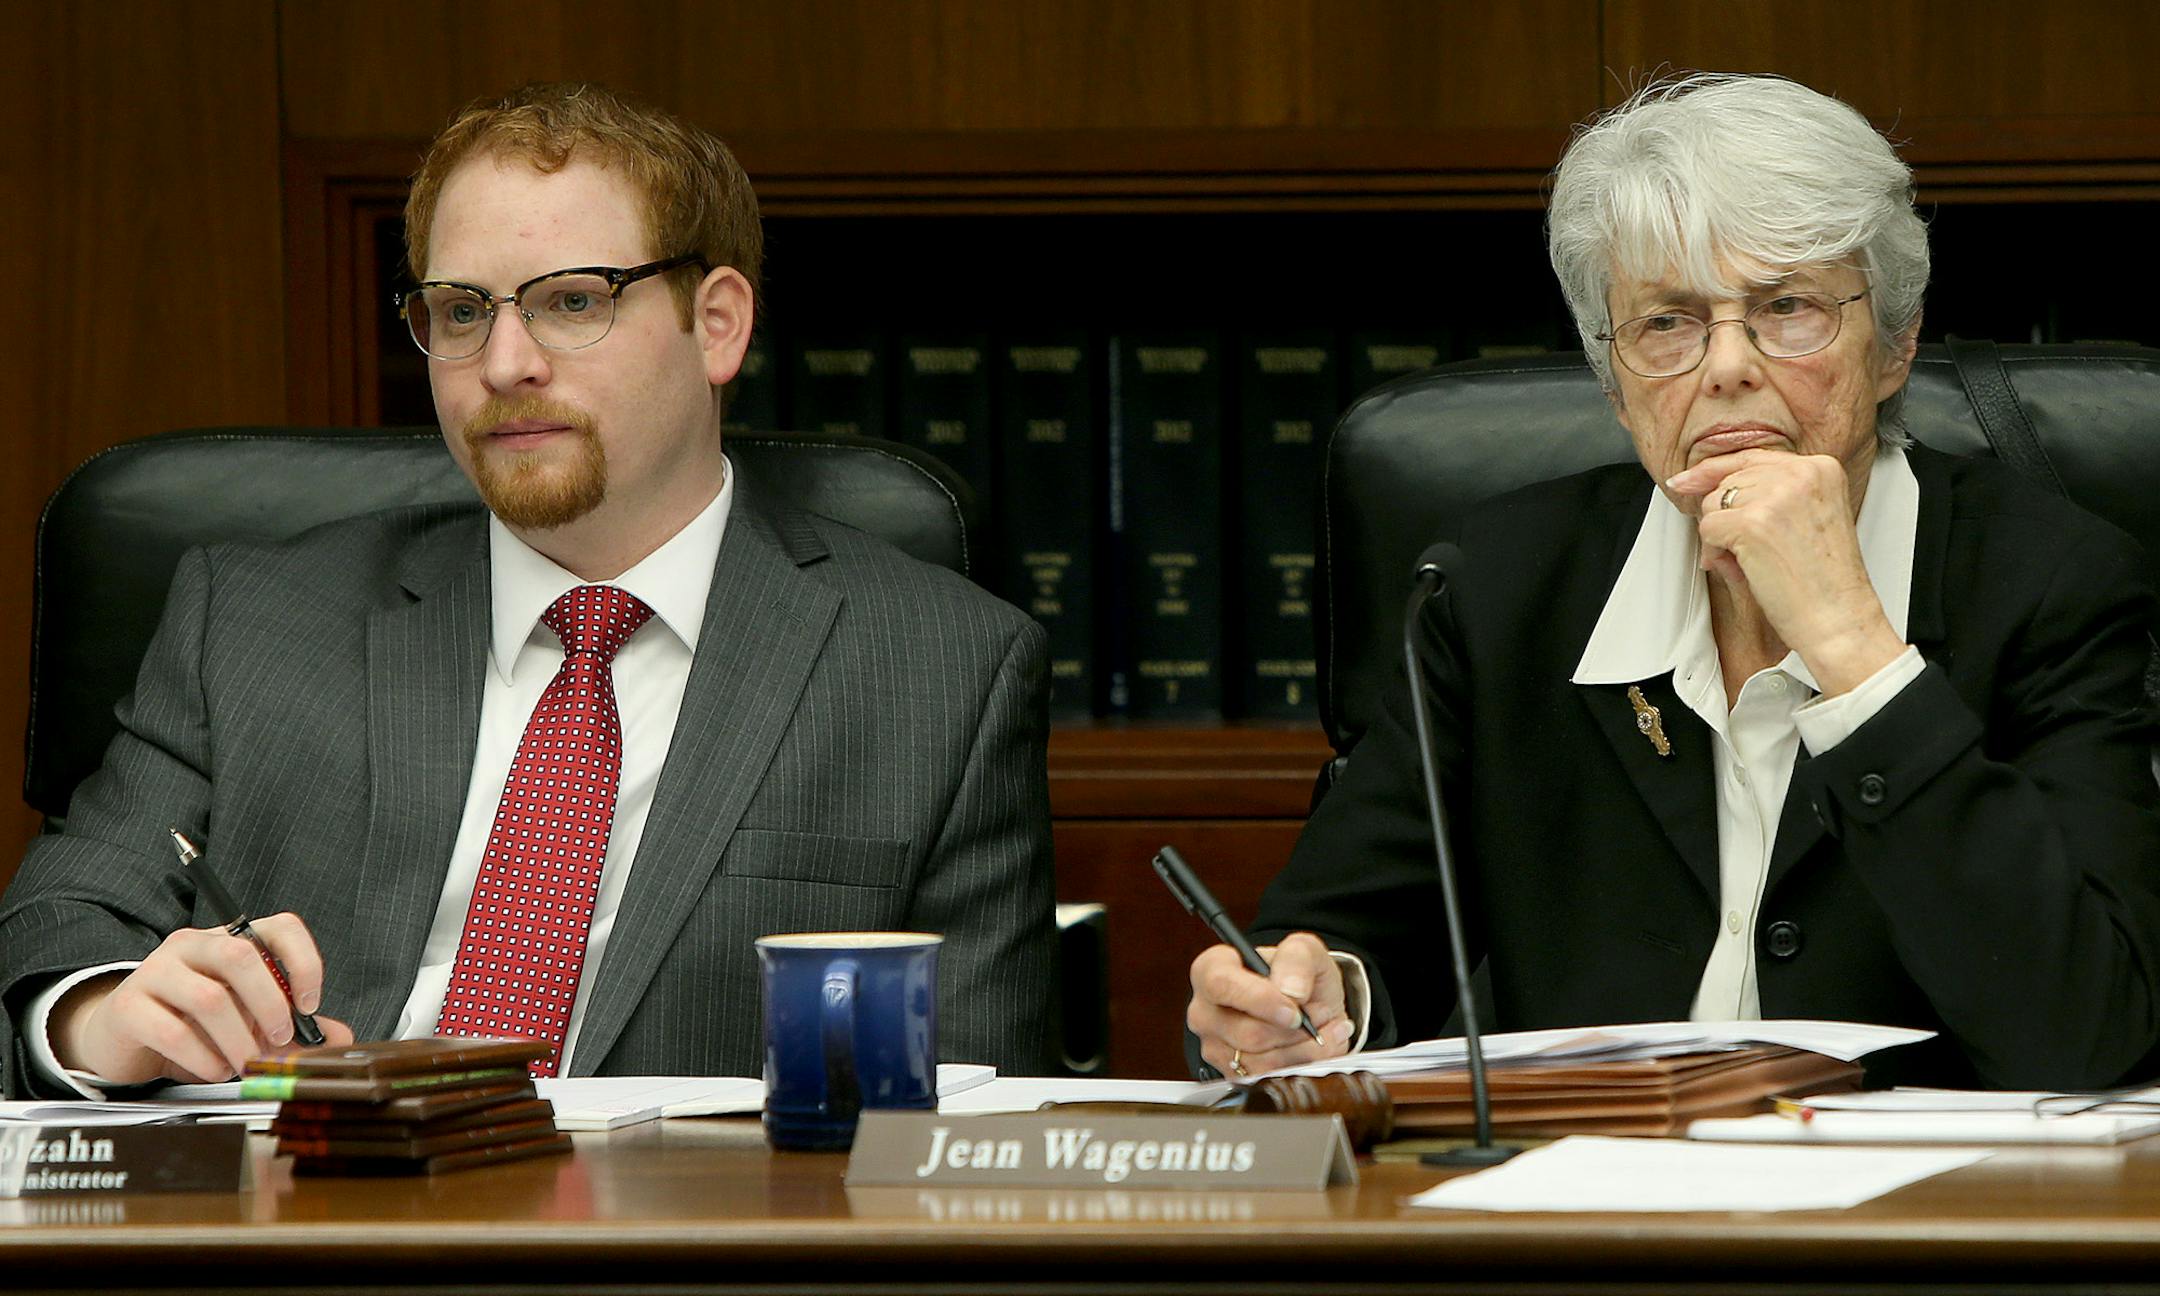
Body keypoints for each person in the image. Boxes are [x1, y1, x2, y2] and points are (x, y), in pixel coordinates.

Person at [0, 82, 1057, 1096]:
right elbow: (61, 926)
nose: (504, 362)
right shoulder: (252, 620)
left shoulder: (941, 670)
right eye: (460, 312)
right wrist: (104, 1015)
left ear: (720, 322)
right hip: (300, 1235)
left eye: (572, 302)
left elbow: (971, 1107)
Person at [1188, 73, 2160, 1091]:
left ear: (1895, 345)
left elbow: (2090, 1034)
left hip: (1912, 1226)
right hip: (1588, 1211)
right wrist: (1309, 1000)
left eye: (1788, 309)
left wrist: (1856, 654)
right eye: (1668, 324)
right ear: (1613, 381)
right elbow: (1346, 946)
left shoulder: (2054, 585)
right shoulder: (1496, 593)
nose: (1727, 368)